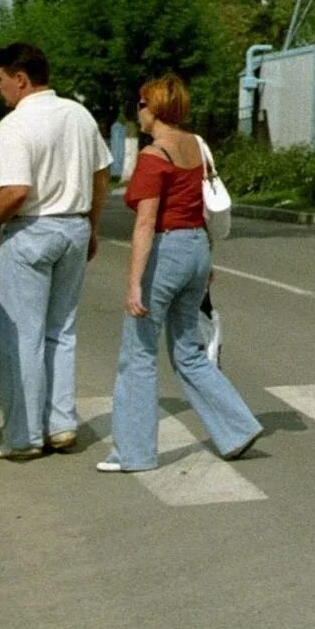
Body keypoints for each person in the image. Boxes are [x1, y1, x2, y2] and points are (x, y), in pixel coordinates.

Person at [100, 74, 261, 473]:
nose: (138, 111)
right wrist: (204, 262)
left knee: (137, 356)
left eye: (140, 104)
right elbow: (203, 207)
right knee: (188, 351)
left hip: (167, 249)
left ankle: (134, 454)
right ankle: (238, 427)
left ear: (153, 108)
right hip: (196, 249)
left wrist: (134, 283)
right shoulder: (194, 146)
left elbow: (144, 224)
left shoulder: (155, 156)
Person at [0, 43, 106, 459]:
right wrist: (90, 226)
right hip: (75, 227)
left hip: (32, 232)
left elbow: (16, 192)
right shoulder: (79, 115)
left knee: (21, 337)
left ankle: (22, 436)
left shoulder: (16, 124)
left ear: (20, 79)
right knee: (61, 331)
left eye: (0, 80)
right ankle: (61, 425)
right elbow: (101, 177)